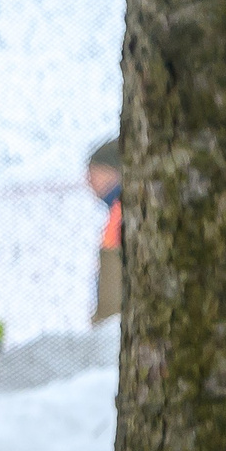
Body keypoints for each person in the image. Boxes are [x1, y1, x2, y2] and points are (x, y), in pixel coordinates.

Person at [87, 136, 122, 323]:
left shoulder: (122, 212)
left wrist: (103, 320)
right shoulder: (116, 211)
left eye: (94, 174)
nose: (89, 183)